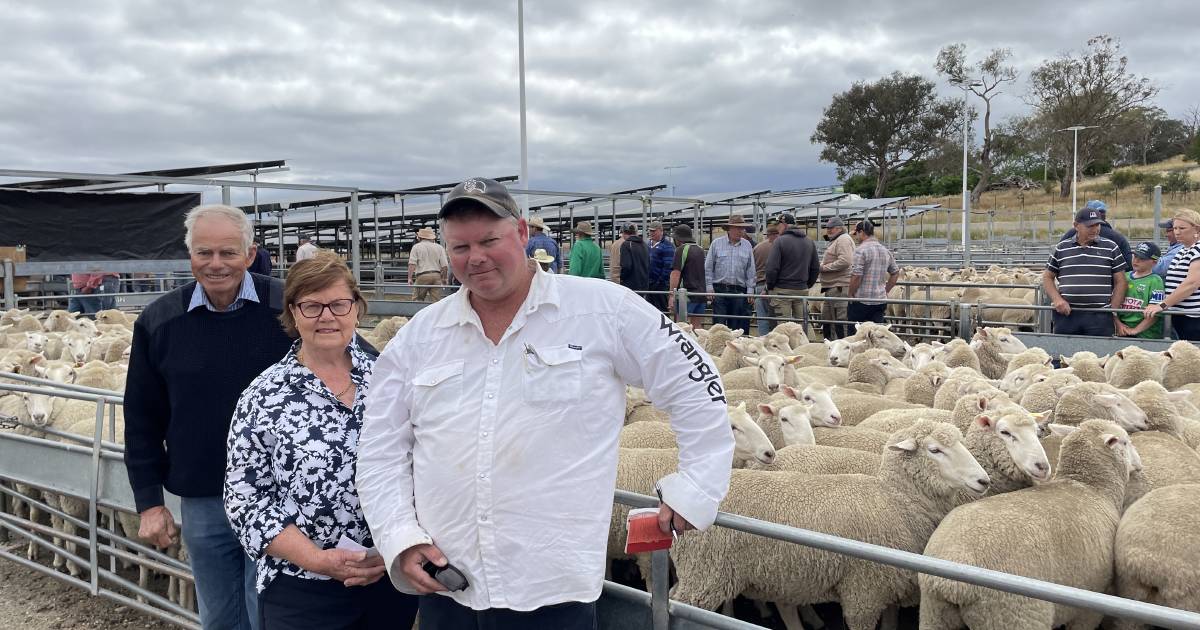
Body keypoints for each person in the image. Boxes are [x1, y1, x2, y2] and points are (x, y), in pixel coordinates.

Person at [354, 177, 733, 629]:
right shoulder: (420, 336)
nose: (475, 258)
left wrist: (698, 486)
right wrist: (399, 537)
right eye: (459, 247)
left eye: (489, 240)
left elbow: (696, 382)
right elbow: (380, 447)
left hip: (552, 586)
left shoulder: (602, 310)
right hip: (446, 583)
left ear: (520, 234)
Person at [224, 251, 417, 629]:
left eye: (338, 304)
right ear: (293, 313)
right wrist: (315, 558)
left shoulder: (390, 381)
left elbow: (419, 466)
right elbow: (245, 498)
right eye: (311, 306)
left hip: (387, 579)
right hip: (302, 590)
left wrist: (397, 544)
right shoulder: (264, 395)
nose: (327, 316)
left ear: (357, 309)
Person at [124, 204, 294, 630]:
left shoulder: (290, 308)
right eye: (204, 253)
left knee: (270, 614)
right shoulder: (160, 320)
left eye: (228, 253)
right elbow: (142, 415)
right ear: (190, 257)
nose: (216, 264)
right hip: (204, 495)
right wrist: (148, 501)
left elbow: (353, 361)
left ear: (250, 254)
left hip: (280, 495)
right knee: (218, 616)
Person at [1042, 208, 1128, 336]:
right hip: (1068, 315)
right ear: (1076, 226)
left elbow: (1121, 281)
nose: (1095, 229)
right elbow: (1047, 277)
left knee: (1100, 354)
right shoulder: (1061, 248)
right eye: (1090, 226)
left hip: (1099, 317)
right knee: (1065, 353)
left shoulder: (1111, 247)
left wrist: (1112, 309)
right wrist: (1057, 300)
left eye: (1098, 225)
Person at [1144, 209, 1200, 340]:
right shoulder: (1183, 250)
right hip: (1181, 315)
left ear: (1196, 229)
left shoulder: (1197, 250)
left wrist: (1162, 305)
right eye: (1175, 228)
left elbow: (1191, 284)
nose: (1177, 232)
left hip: (1194, 318)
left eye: (1182, 228)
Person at [765, 213, 820, 326]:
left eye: (778, 224)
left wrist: (770, 286)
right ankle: (808, 342)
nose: (777, 228)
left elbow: (771, 268)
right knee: (804, 323)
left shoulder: (780, 241)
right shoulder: (809, 241)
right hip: (801, 290)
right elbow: (815, 268)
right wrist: (807, 284)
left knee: (783, 326)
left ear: (784, 224)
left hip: (782, 290)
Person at [704, 214, 756, 334]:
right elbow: (708, 267)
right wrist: (709, 287)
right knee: (719, 326)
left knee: (737, 327)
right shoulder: (716, 244)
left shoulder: (747, 245)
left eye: (742, 228)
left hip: (739, 290)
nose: (741, 231)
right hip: (720, 289)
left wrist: (750, 290)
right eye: (738, 228)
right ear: (729, 228)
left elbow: (750, 269)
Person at [847, 220, 899, 325]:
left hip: (861, 300)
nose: (856, 237)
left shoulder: (860, 250)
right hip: (880, 300)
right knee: (875, 332)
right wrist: (886, 290)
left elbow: (857, 275)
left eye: (856, 233)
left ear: (861, 232)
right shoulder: (885, 250)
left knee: (857, 333)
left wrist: (851, 293)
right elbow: (895, 272)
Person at [1061, 200, 1133, 268]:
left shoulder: (1071, 233)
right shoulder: (1118, 237)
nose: (1094, 230)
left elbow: (1057, 262)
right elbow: (1129, 265)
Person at [1116, 242, 1166, 339]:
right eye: (1135, 256)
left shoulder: (1156, 281)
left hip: (1145, 335)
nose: (1136, 261)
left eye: (1142, 258)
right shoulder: (1125, 276)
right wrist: (1118, 325)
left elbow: (1154, 313)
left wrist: (1136, 330)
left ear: (1154, 262)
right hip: (1122, 330)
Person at [818, 216, 855, 340]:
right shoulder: (838, 240)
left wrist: (824, 268)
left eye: (831, 228)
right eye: (827, 228)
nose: (828, 230)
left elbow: (845, 261)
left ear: (839, 228)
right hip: (833, 287)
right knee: (828, 319)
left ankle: (843, 347)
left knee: (841, 320)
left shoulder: (843, 239)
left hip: (840, 286)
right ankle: (831, 346)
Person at [670, 224, 708, 329]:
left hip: (685, 295)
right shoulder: (700, 250)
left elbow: (676, 273)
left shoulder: (681, 249)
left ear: (678, 239)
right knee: (697, 327)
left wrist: (671, 294)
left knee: (681, 326)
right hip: (701, 294)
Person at [408, 227, 449, 302]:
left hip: (422, 275)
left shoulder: (416, 247)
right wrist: (445, 278)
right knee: (436, 301)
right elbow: (445, 265)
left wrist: (409, 278)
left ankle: (417, 312)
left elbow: (412, 264)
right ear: (432, 237)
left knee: (418, 299)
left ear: (420, 237)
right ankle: (436, 313)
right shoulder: (439, 247)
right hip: (436, 276)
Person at [752, 223, 779, 335]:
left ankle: (763, 340)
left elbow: (752, 266)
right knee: (776, 318)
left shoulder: (758, 247)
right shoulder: (779, 246)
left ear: (767, 235)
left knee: (762, 317)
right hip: (775, 286)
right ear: (777, 234)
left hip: (759, 284)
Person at [646, 221, 675, 312]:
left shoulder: (668, 246)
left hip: (660, 286)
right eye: (650, 231)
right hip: (648, 284)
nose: (651, 233)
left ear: (661, 231)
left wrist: (659, 282)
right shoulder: (647, 245)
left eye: (654, 231)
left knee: (661, 310)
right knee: (649, 309)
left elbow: (668, 267)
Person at [618, 223, 650, 293]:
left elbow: (626, 266)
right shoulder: (645, 245)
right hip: (644, 285)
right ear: (636, 232)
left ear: (623, 233)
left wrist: (622, 278)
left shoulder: (626, 245)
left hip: (630, 285)